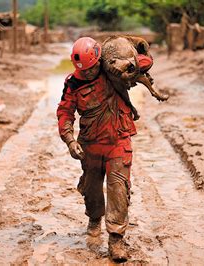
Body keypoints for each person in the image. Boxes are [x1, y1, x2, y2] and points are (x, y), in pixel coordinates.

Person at [56, 37, 153, 262]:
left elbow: (144, 62)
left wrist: (128, 50)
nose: (89, 74)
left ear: (99, 60)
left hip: (119, 140)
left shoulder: (112, 69)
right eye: (84, 71)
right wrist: (70, 140)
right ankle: (94, 217)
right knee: (92, 190)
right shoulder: (73, 83)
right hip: (90, 145)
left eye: (92, 69)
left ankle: (116, 238)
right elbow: (65, 113)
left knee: (118, 187)